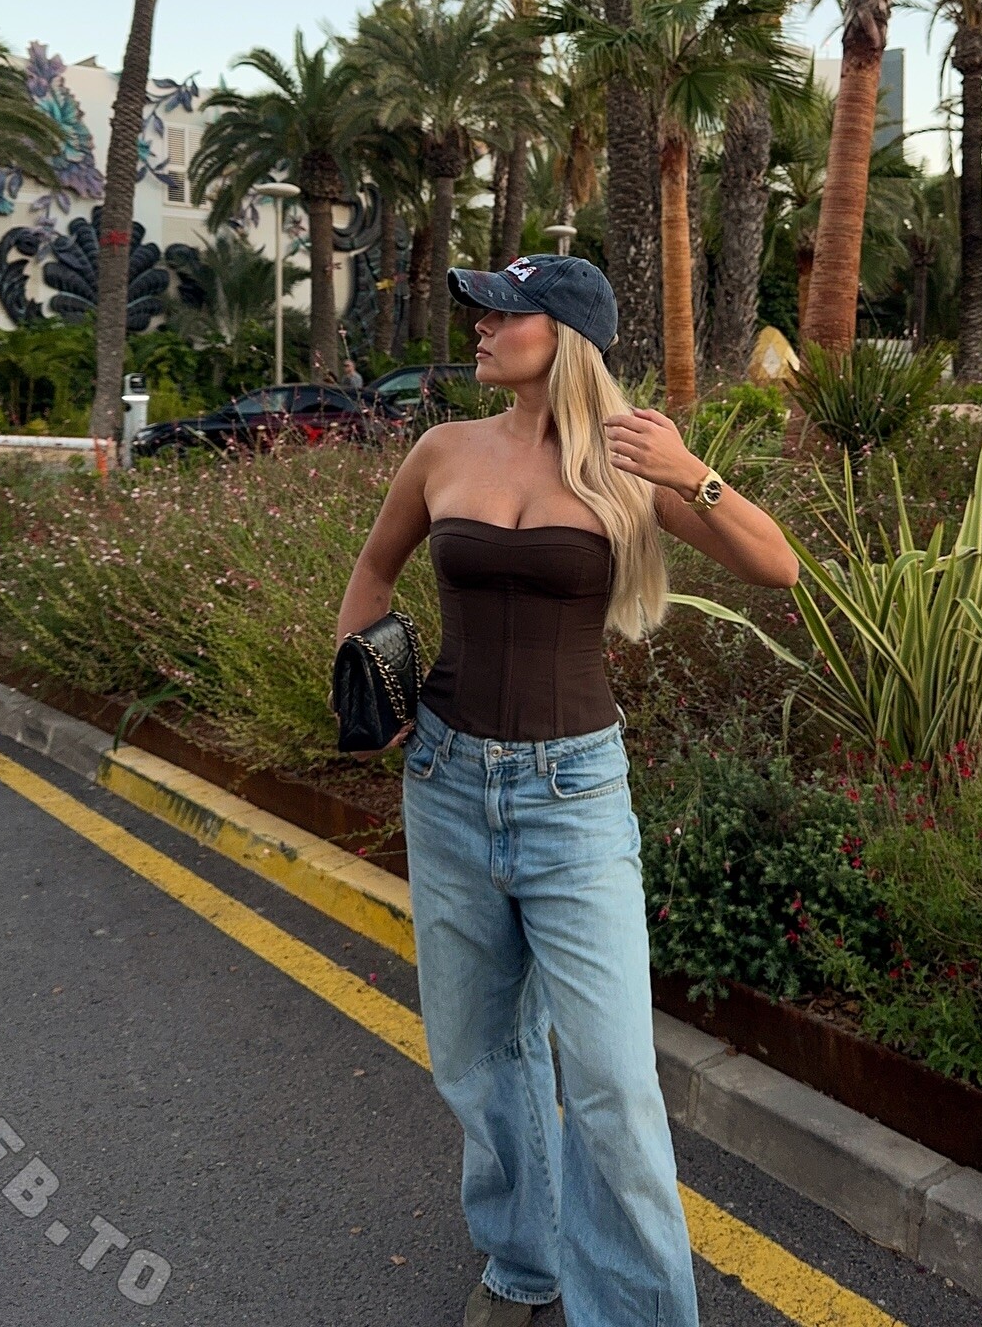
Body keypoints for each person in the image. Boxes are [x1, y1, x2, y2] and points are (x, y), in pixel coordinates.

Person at [335, 253, 798, 1327]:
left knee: (613, 1085)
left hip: (573, 797)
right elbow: (373, 572)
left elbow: (775, 565)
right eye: (482, 311)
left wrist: (693, 473)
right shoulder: (443, 451)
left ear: (566, 336)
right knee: (479, 1059)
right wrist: (363, 685)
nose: (481, 326)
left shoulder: (632, 462)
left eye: (505, 313)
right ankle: (522, 1263)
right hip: (444, 781)